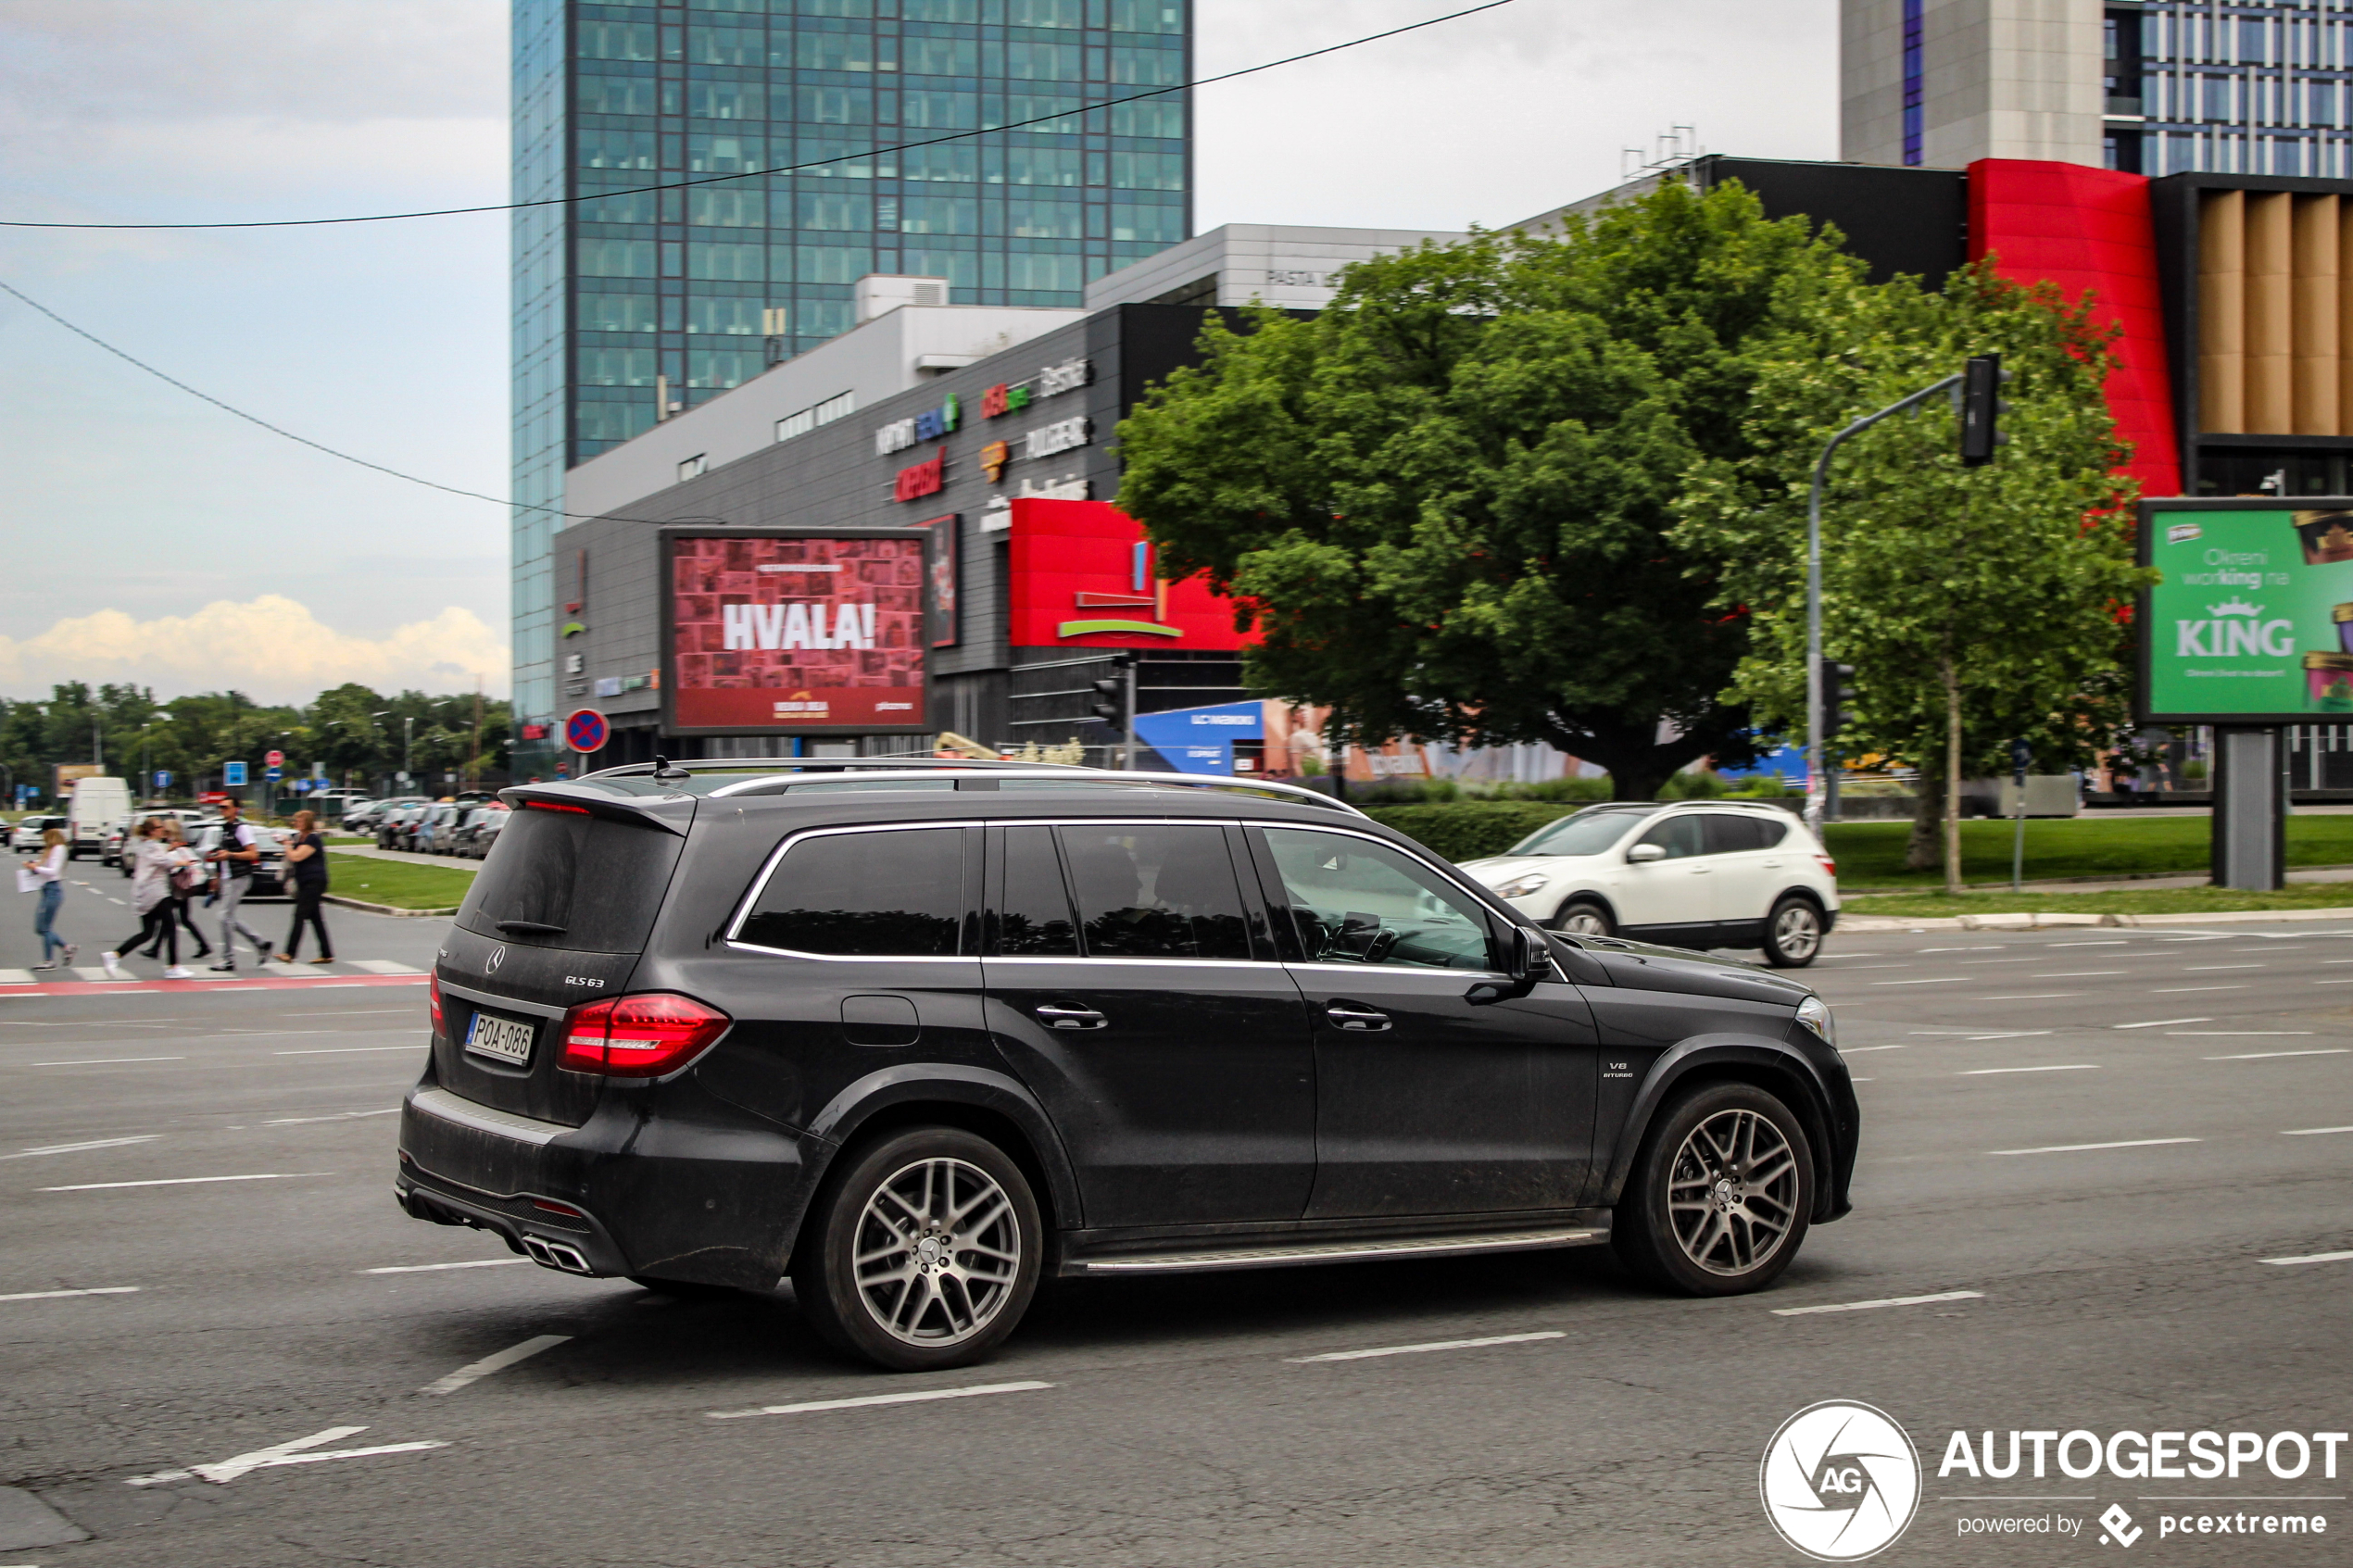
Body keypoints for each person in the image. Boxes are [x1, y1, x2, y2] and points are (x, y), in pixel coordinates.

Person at [103, 819, 197, 979]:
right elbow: (163, 861)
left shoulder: (149, 846)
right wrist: (183, 862)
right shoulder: (150, 846)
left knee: (147, 933)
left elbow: (159, 857)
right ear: (152, 831)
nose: (163, 829)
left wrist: (169, 850)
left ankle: (114, 956)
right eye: (160, 827)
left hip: (148, 893)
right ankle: (173, 966)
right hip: (155, 893)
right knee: (171, 926)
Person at [205, 797, 270, 972]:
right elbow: (223, 854)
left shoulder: (242, 829)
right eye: (220, 807)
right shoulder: (226, 829)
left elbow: (253, 854)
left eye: (226, 807)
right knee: (228, 918)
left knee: (224, 917)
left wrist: (230, 855)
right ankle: (260, 943)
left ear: (236, 809)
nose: (222, 810)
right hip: (228, 877)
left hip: (239, 877)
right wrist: (217, 876)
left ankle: (228, 959)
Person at [142, 819, 212, 963]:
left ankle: (156, 949)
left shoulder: (174, 847)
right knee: (182, 919)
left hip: (177, 887)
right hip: (184, 886)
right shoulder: (183, 846)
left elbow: (169, 865)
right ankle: (203, 945)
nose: (163, 832)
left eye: (165, 830)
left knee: (170, 919)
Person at [277, 809, 334, 964]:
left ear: (308, 823)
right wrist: (287, 844)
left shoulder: (313, 839)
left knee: (299, 915)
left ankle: (290, 953)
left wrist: (287, 846)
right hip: (304, 881)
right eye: (296, 820)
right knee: (316, 918)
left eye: (300, 821)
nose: (296, 823)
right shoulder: (299, 838)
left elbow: (296, 856)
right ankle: (326, 953)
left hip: (314, 881)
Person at [21, 826, 76, 971]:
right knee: (40, 928)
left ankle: (49, 960)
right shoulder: (52, 850)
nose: (43, 839)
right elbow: (45, 868)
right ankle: (66, 947)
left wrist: (35, 868)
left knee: (44, 928)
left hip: (53, 889)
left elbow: (53, 871)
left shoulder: (59, 849)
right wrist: (33, 865)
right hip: (47, 890)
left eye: (45, 836)